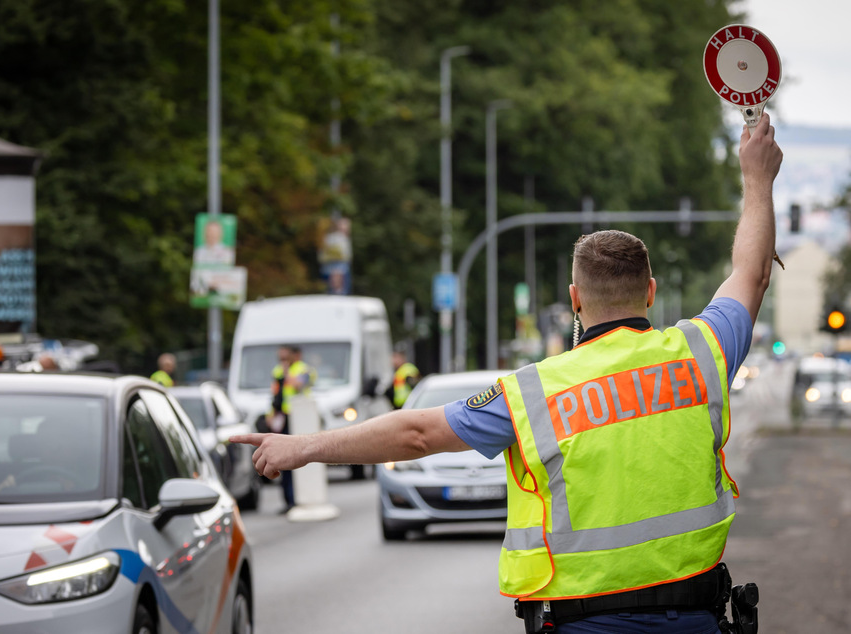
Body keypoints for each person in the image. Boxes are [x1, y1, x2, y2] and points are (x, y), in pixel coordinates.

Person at [232, 114, 783, 632]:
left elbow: (416, 432)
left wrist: (303, 446)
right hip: (695, 618)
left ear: (574, 300)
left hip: (585, 622)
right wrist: (756, 176)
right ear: (651, 291)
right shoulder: (700, 352)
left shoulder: (534, 393)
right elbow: (751, 273)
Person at [267, 345, 316, 513]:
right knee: (283, 459)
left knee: (299, 458)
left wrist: (287, 372)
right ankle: (288, 501)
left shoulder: (304, 369)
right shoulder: (277, 371)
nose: (282, 361)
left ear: (296, 355)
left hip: (301, 419)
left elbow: (299, 385)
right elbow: (275, 394)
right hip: (284, 418)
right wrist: (271, 413)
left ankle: (299, 498)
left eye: (285, 357)